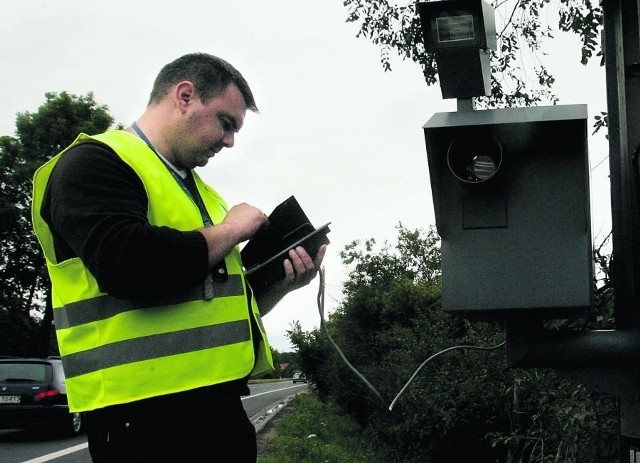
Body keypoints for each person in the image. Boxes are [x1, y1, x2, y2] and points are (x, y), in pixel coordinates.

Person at [31, 52, 326, 462]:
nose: (230, 141)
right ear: (185, 96)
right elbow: (127, 265)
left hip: (217, 413)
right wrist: (232, 230)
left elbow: (213, 308)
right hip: (139, 421)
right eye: (226, 123)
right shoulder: (93, 162)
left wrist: (282, 284)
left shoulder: (202, 194)